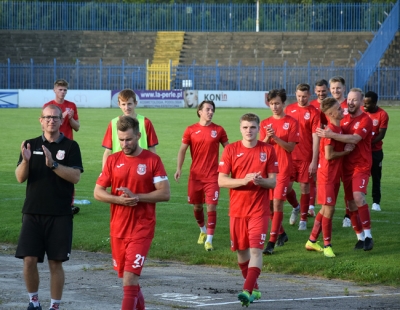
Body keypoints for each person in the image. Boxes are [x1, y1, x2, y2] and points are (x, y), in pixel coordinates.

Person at [94, 116, 170, 310]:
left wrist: (137, 197)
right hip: (118, 228)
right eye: (120, 140)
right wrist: (119, 200)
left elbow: (165, 193)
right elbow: (98, 192)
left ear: (138, 135)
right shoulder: (112, 160)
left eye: (128, 139)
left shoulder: (153, 160)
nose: (124, 144)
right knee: (128, 279)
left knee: (130, 277)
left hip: (142, 228)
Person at [15, 104, 83, 310]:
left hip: (60, 213)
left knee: (55, 263)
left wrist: (53, 164)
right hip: (32, 212)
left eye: (55, 117)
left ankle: (55, 306)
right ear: (41, 120)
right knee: (29, 260)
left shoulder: (71, 146)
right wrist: (26, 162)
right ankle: (33, 302)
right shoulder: (29, 144)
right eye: (47, 117)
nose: (51, 120)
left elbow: (75, 177)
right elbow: (19, 178)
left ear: (61, 121)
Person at [218, 113, 278, 307]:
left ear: (258, 128)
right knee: (241, 253)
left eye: (252, 127)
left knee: (256, 250)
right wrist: (243, 180)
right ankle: (255, 289)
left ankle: (247, 289)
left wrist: (261, 182)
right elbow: (221, 180)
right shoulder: (230, 150)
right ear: (240, 128)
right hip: (237, 210)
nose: (249, 131)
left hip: (259, 210)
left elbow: (273, 182)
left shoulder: (268, 150)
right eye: (245, 127)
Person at [317, 88, 374, 251]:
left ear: (361, 102)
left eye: (355, 100)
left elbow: (355, 139)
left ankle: (369, 236)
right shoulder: (343, 118)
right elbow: (328, 125)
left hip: (361, 165)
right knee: (350, 203)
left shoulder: (365, 120)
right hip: (344, 166)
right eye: (349, 99)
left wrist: (329, 135)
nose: (350, 102)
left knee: (358, 197)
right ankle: (360, 238)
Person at [174, 100, 229, 251]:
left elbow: (228, 149)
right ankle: (203, 231)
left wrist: (229, 165)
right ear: (200, 111)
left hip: (213, 176)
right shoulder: (190, 130)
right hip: (195, 176)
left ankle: (209, 240)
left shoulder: (218, 130)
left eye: (212, 110)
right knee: (197, 207)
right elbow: (182, 150)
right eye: (208, 109)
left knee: (211, 207)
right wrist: (179, 168)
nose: (210, 112)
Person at [305, 98, 354, 258]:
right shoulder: (330, 130)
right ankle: (327, 245)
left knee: (326, 209)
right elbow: (329, 154)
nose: (342, 111)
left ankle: (312, 240)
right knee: (330, 209)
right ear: (331, 113)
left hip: (333, 175)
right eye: (339, 109)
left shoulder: (337, 129)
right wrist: (345, 152)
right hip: (326, 175)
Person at [259, 89, 299, 254]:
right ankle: (281, 233)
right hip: (268, 170)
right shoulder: (265, 123)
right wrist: (267, 138)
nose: (274, 106)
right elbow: (260, 147)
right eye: (271, 103)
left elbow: (290, 147)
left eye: (277, 103)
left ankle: (271, 243)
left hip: (283, 168)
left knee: (277, 203)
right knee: (267, 205)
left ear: (284, 104)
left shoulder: (291, 122)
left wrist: (275, 137)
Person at [284, 83, 320, 230]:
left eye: (304, 96)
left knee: (305, 187)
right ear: (295, 93)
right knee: (285, 188)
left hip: (306, 156)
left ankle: (303, 220)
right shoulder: (289, 109)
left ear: (309, 95)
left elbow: (316, 137)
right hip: (290, 156)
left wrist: (314, 160)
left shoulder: (313, 112)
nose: (301, 99)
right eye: (299, 96)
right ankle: (296, 207)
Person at [43, 79, 81, 215]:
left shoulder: (71, 105)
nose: (63, 92)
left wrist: (70, 119)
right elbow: (45, 125)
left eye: (65, 90)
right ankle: (49, 200)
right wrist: (62, 117)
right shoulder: (49, 106)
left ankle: (70, 204)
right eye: (60, 89)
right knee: (51, 172)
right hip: (52, 142)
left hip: (68, 144)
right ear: (54, 90)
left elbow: (77, 127)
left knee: (70, 174)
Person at [102, 88, 158, 168]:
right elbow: (107, 151)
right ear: (119, 104)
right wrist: (104, 173)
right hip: (118, 166)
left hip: (141, 165)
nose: (126, 107)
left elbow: (152, 148)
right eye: (123, 104)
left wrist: (154, 169)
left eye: (129, 104)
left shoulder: (145, 122)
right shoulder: (113, 123)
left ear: (135, 103)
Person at [329, 76, 352, 227]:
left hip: (349, 152)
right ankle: (328, 212)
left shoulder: (350, 105)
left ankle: (348, 215)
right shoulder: (328, 105)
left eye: (338, 88)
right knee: (333, 185)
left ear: (344, 88)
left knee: (348, 185)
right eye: (333, 88)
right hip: (333, 152)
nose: (336, 90)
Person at [362, 91, 389, 211]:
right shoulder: (362, 112)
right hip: (362, 151)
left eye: (367, 104)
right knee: (361, 175)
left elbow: (381, 135)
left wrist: (367, 143)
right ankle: (360, 200)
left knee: (376, 176)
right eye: (364, 103)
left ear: (374, 103)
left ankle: (376, 202)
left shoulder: (382, 114)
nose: (364, 106)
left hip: (375, 151)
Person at [308, 79, 329, 217]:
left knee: (324, 177)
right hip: (313, 144)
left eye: (323, 91)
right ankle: (310, 206)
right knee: (311, 175)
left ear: (327, 90)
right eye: (318, 91)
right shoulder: (312, 105)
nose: (321, 93)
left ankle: (324, 205)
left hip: (328, 145)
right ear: (315, 91)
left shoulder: (332, 105)